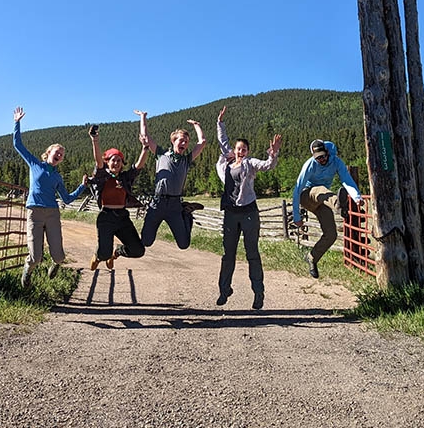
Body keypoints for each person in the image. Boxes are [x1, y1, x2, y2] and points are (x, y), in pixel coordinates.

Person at [12, 106, 89, 287]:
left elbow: (67, 198)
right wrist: (17, 122)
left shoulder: (57, 176)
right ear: (48, 153)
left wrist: (82, 186)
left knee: (59, 255)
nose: (59, 155)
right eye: (57, 152)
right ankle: (27, 271)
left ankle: (56, 264)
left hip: (53, 214)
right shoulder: (35, 164)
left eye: (61, 155)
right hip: (35, 212)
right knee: (36, 256)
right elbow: (18, 145)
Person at [214, 106, 281, 310]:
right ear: (234, 151)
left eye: (243, 149)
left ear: (247, 151)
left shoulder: (250, 164)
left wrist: (274, 152)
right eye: (238, 149)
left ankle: (258, 293)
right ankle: (224, 290)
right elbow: (222, 141)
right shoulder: (226, 164)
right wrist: (220, 123)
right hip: (231, 213)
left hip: (249, 212)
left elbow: (268, 165)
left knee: (252, 252)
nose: (240, 151)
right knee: (228, 254)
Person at [87, 111, 151, 270]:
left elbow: (138, 166)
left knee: (138, 250)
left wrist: (145, 148)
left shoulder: (125, 178)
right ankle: (99, 255)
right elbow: (97, 161)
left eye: (119, 160)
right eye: (112, 160)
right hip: (106, 217)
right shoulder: (102, 175)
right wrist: (95, 139)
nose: (116, 163)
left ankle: (117, 251)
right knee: (103, 254)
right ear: (107, 162)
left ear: (122, 163)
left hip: (122, 217)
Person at [292, 138, 362, 278]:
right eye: (318, 158)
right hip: (307, 195)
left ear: (327, 152)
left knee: (331, 234)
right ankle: (339, 205)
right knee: (320, 190)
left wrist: (356, 197)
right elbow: (298, 188)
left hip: (323, 200)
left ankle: (312, 258)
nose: (321, 160)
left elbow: (346, 180)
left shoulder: (336, 161)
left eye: (323, 156)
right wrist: (296, 217)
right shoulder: (310, 165)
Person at [139, 111, 206, 250]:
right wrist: (143, 117)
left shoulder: (186, 160)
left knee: (184, 244)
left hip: (175, 205)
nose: (184, 143)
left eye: (186, 142)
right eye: (181, 140)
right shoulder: (161, 154)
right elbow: (145, 137)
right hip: (157, 203)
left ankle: (186, 213)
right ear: (173, 141)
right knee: (146, 242)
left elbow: (202, 142)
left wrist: (197, 126)